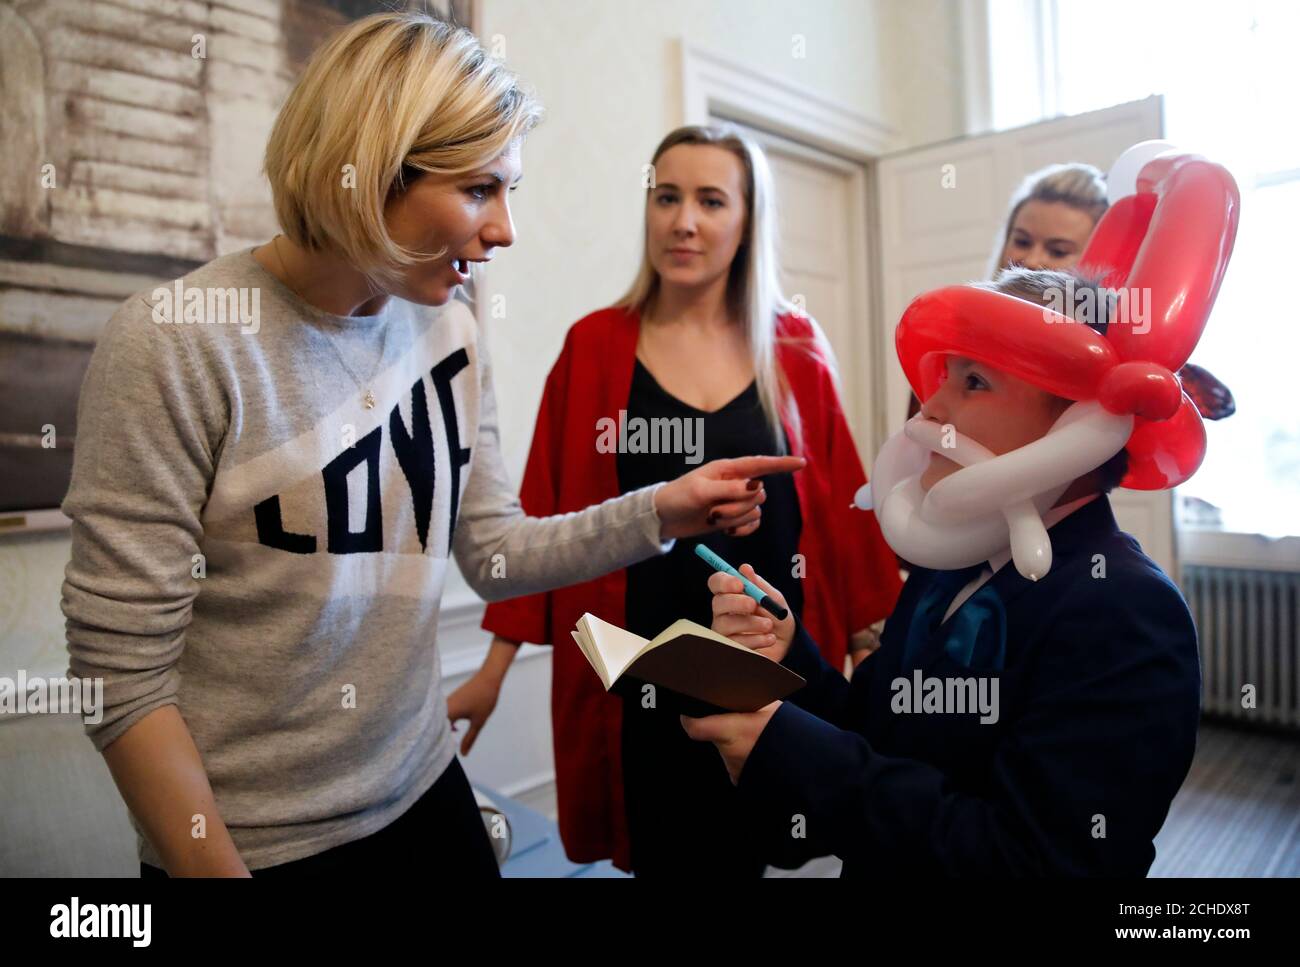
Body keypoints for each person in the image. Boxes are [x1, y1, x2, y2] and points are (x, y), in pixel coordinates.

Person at [61, 12, 802, 878]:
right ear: (370, 169)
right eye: (479, 190)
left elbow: (491, 551)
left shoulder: (450, 335)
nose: (504, 232)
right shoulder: (175, 343)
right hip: (256, 843)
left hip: (427, 792)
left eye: (508, 192)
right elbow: (122, 678)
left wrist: (661, 510)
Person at [460, 125, 902, 876]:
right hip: (640, 674)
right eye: (666, 197)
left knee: (762, 847)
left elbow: (839, 508)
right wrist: (493, 669)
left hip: (769, 665)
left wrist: (869, 646)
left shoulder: (794, 348)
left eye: (709, 200)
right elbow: (545, 509)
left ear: (747, 219)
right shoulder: (594, 346)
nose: (683, 221)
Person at [684, 267, 1205, 876]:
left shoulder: (1127, 611)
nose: (930, 407)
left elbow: (1034, 862)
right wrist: (791, 653)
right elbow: (879, 734)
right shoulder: (950, 560)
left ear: (1077, 425)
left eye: (975, 381)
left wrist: (791, 751)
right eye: (947, 375)